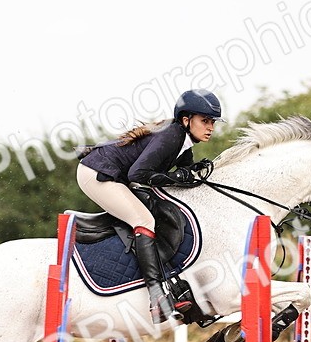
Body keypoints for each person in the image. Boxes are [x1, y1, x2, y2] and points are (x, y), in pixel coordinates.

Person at [76, 89, 221, 323]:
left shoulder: (183, 144)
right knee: (144, 220)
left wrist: (190, 173)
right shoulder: (172, 136)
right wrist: (177, 178)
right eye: (205, 121)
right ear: (186, 120)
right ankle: (156, 296)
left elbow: (181, 180)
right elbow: (139, 173)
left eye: (212, 122)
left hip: (112, 174)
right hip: (97, 173)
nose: (211, 127)